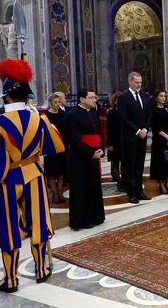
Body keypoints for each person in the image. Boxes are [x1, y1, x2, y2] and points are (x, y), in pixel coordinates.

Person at [0, 59, 64, 292]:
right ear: (28, 98)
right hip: (34, 174)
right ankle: (41, 270)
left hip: (8, 179)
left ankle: (10, 279)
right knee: (38, 222)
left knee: (8, 227)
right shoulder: (41, 118)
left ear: (5, 97)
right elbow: (55, 145)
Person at [64, 88, 105, 230]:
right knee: (81, 188)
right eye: (92, 97)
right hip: (80, 157)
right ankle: (82, 221)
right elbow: (74, 138)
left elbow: (99, 133)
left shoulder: (93, 113)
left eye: (95, 97)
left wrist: (101, 149)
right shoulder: (72, 115)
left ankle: (96, 217)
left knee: (94, 187)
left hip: (94, 155)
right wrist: (90, 153)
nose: (95, 100)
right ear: (82, 99)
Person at [117, 72, 152, 204]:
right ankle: (131, 194)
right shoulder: (123, 97)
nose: (139, 85)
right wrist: (137, 130)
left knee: (139, 165)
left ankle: (139, 191)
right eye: (136, 82)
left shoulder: (144, 96)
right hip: (129, 138)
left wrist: (145, 129)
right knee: (130, 166)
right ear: (130, 82)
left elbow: (149, 115)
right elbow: (123, 118)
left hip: (142, 137)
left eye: (140, 82)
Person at [150, 90, 168, 195]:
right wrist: (167, 137)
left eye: (165, 96)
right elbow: (156, 127)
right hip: (159, 140)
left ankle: (167, 182)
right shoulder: (154, 109)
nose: (163, 98)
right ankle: (161, 184)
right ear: (156, 97)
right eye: (161, 96)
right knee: (160, 162)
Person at [44, 93, 67, 204]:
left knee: (61, 172)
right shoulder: (45, 116)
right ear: (50, 103)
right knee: (52, 173)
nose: (58, 104)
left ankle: (61, 194)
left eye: (59, 102)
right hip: (51, 148)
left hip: (62, 147)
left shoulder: (63, 114)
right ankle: (55, 194)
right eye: (55, 102)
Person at [106, 92, 123, 192]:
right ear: (115, 101)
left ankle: (124, 181)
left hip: (124, 141)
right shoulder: (111, 113)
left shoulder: (126, 111)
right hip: (114, 141)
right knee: (115, 162)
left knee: (125, 163)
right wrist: (109, 144)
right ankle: (119, 182)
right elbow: (108, 129)